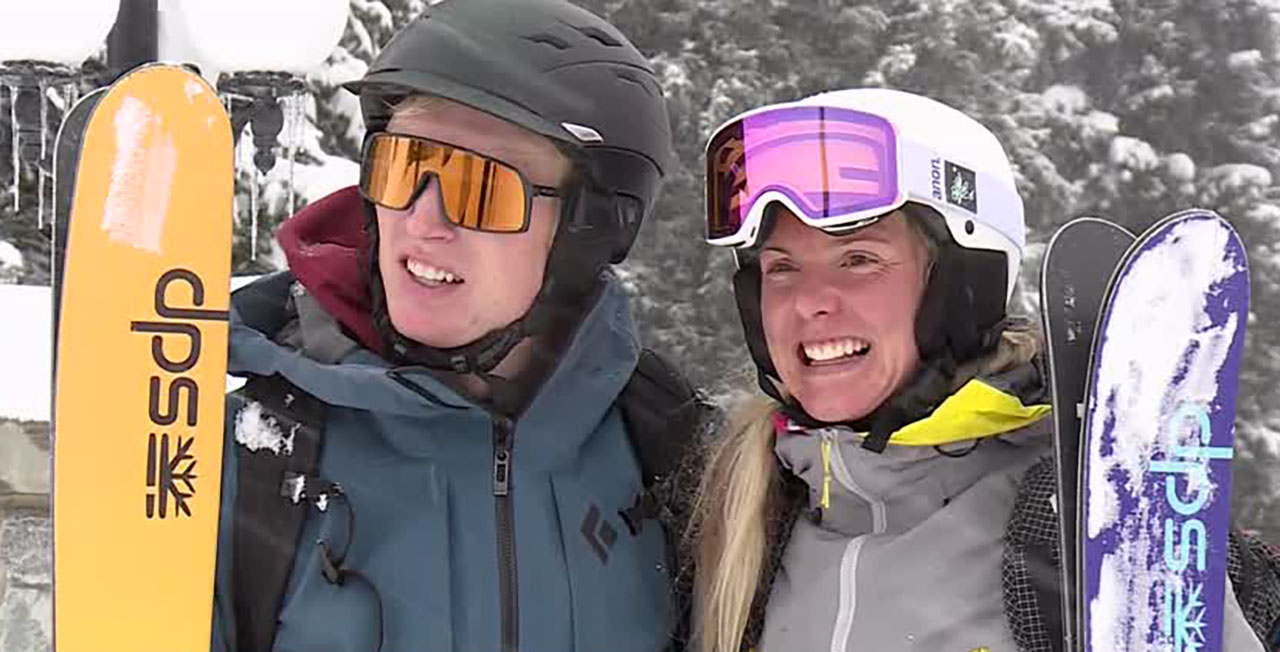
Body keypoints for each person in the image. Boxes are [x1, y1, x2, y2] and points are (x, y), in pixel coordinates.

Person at [684, 88, 1280, 652]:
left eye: (859, 259)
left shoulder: (1078, 520)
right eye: (781, 267)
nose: (807, 302)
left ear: (963, 285)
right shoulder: (748, 510)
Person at [207, 1, 704, 651]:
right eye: (403, 169)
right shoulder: (248, 462)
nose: (423, 221)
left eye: (479, 189)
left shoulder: (674, 460)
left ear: (588, 231)